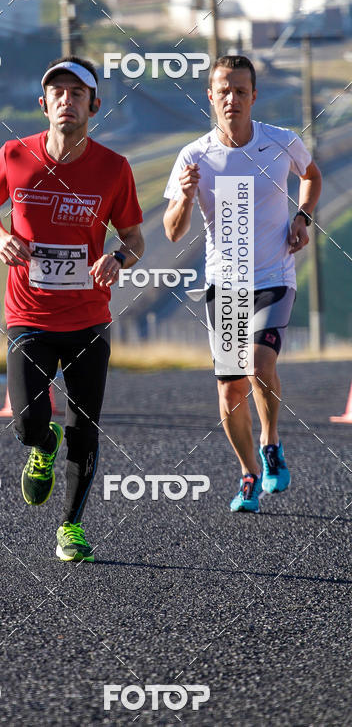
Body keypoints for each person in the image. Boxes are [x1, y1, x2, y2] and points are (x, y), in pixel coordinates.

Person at [0, 56, 144, 560]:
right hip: (28, 314)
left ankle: (71, 527)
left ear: (94, 105)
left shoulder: (114, 168)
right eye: (57, 92)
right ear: (43, 103)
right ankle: (41, 447)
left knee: (84, 426)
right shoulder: (15, 154)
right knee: (29, 421)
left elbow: (135, 238)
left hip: (89, 318)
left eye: (76, 93)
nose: (65, 101)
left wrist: (118, 258)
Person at [163, 54, 322, 512]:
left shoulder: (281, 142)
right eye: (223, 91)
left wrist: (302, 217)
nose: (232, 99)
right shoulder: (194, 156)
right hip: (226, 284)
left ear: (254, 96)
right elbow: (173, 231)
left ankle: (272, 441)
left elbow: (311, 175)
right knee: (230, 387)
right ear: (210, 97)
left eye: (240, 90)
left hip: (273, 274)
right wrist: (187, 198)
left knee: (258, 360)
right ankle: (249, 472)